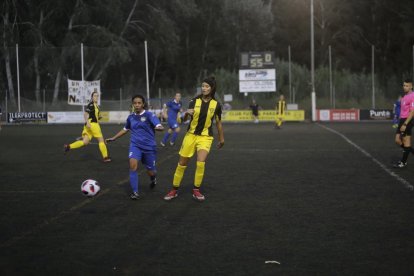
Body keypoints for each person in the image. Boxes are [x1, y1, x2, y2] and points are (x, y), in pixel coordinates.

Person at [163, 76, 224, 202]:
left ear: (212, 88)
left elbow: (218, 123)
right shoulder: (194, 101)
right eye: (203, 86)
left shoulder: (216, 105)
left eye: (207, 86)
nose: (204, 88)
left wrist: (221, 139)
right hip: (190, 136)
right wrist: (185, 114)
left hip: (205, 137)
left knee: (201, 162)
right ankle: (174, 190)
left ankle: (196, 190)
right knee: (182, 164)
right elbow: (184, 120)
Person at [106, 95, 164, 199]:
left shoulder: (149, 115)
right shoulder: (131, 117)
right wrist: (114, 138)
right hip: (135, 146)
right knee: (133, 166)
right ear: (132, 104)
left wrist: (159, 127)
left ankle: (153, 178)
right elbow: (125, 129)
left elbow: (158, 125)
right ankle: (135, 192)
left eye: (139, 103)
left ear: (143, 104)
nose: (137, 105)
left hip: (149, 147)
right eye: (135, 103)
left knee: (151, 171)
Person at [64, 91, 111, 162]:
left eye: (97, 96)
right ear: (92, 97)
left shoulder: (96, 106)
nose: (96, 97)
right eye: (95, 96)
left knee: (85, 142)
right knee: (101, 141)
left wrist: (98, 117)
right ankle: (105, 157)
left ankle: (69, 146)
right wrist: (87, 122)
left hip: (89, 126)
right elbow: (85, 114)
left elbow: (95, 116)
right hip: (93, 125)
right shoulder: (91, 104)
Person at [393, 79, 414, 168]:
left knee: (406, 141)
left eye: (406, 85)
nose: (404, 87)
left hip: (408, 120)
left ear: (411, 86)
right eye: (404, 85)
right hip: (402, 120)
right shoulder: (404, 96)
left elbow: (412, 111)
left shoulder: (413, 96)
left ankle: (403, 162)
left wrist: (405, 124)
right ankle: (410, 151)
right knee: (397, 140)